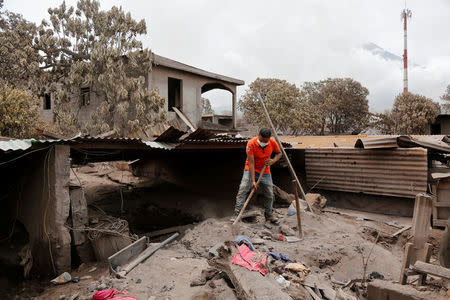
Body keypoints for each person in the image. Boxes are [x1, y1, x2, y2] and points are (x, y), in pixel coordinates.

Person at [231, 128, 282, 224]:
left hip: (265, 171)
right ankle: (237, 213)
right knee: (243, 189)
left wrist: (273, 161)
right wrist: (253, 181)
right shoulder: (251, 144)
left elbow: (279, 153)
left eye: (266, 141)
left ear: (269, 139)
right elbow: (251, 163)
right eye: (262, 140)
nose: (264, 142)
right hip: (251, 169)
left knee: (270, 194)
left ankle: (269, 214)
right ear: (259, 136)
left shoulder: (272, 142)